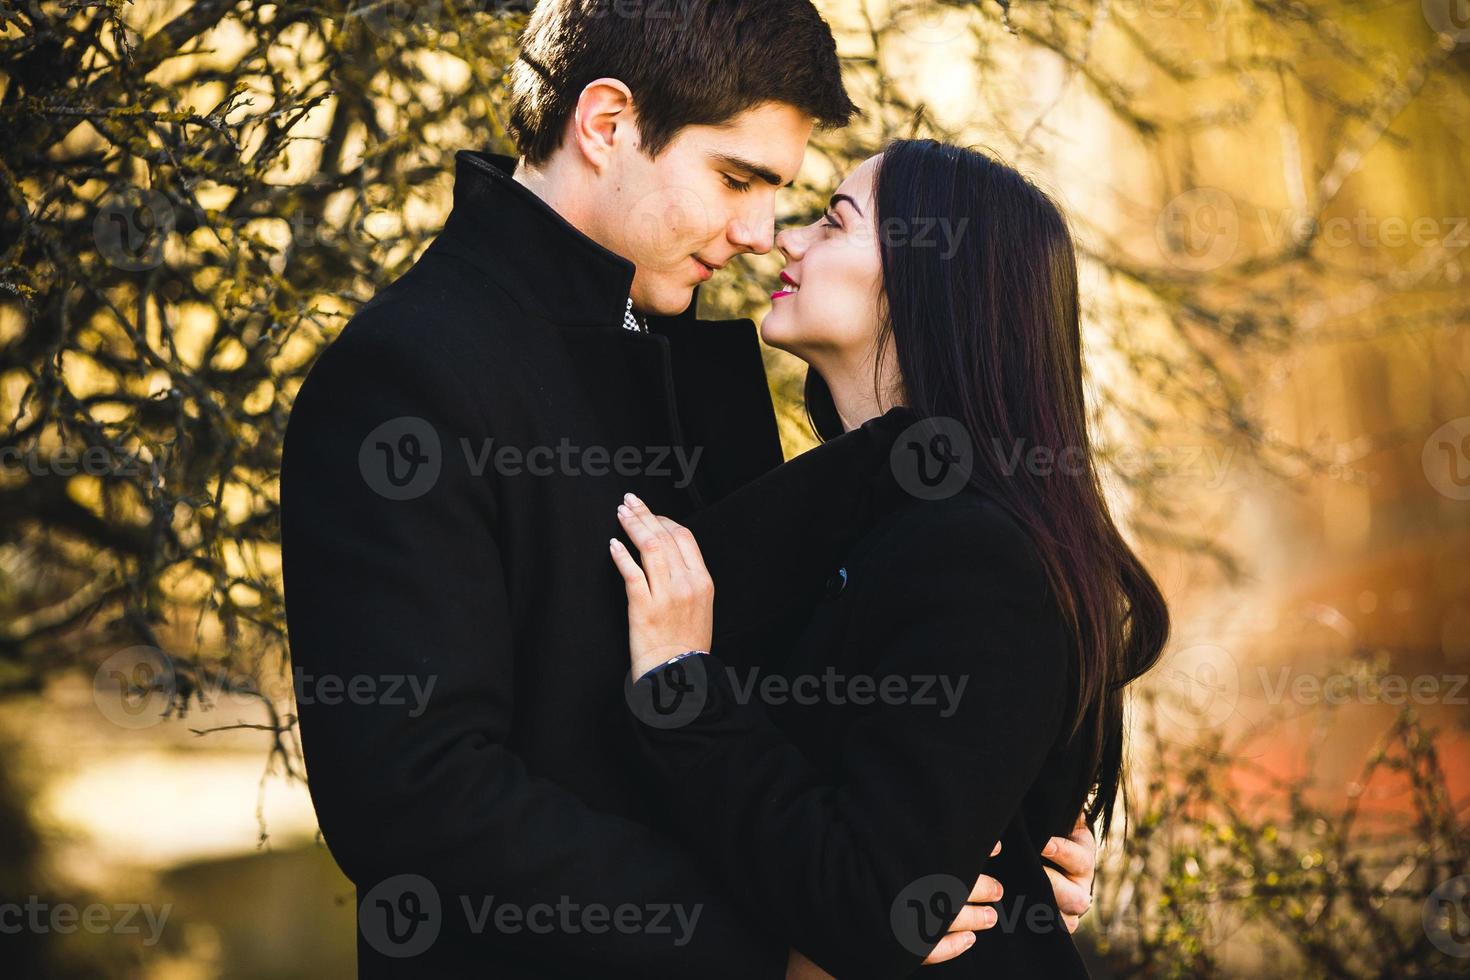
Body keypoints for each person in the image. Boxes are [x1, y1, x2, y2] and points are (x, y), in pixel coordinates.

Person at [281, 2, 1096, 975]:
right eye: (735, 178)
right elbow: (415, 800)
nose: (761, 233)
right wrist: (778, 941)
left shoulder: (690, 363)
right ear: (607, 124)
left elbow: (796, 705)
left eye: (783, 191)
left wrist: (990, 821)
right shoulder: (405, 378)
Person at [611, 140, 1170, 977]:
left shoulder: (978, 557)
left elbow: (869, 901)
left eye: (833, 222)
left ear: (933, 284)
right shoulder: (863, 525)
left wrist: (682, 683)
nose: (784, 241)